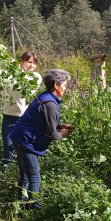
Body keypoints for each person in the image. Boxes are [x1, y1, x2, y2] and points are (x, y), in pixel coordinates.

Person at [9, 69, 74, 207]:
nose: (66, 87)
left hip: (19, 137)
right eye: (65, 84)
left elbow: (45, 122)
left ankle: (22, 201)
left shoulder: (47, 97)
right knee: (34, 176)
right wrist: (63, 133)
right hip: (26, 141)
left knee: (25, 174)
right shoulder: (49, 103)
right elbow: (52, 134)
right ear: (56, 85)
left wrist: (61, 125)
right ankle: (34, 207)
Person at [0, 51, 42, 169]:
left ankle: (19, 176)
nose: (32, 65)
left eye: (34, 63)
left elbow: (25, 89)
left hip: (25, 118)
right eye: (29, 62)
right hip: (10, 116)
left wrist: (16, 71)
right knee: (8, 149)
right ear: (22, 62)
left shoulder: (36, 77)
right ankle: (2, 175)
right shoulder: (11, 75)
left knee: (22, 150)